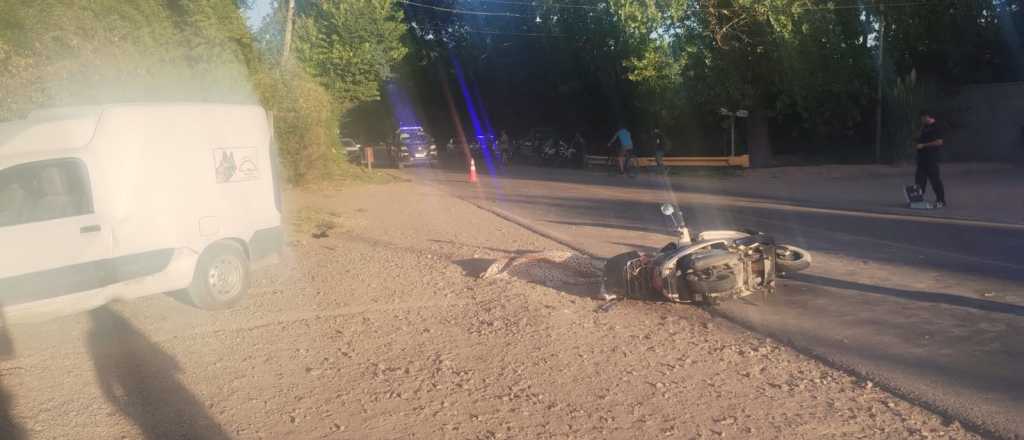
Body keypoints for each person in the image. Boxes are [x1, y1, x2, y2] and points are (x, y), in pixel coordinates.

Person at [914, 110, 946, 208]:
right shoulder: (924, 127)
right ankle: (917, 200)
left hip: (932, 158)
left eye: (922, 118)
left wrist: (924, 145)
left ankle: (941, 200)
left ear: (927, 117)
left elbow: (939, 142)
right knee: (919, 180)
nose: (921, 120)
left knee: (935, 180)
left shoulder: (937, 127)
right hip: (922, 159)